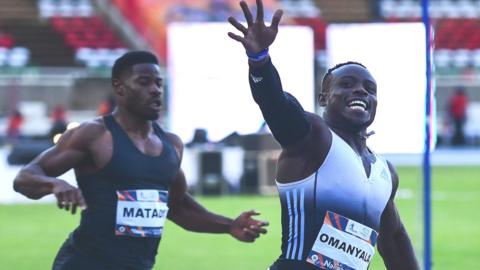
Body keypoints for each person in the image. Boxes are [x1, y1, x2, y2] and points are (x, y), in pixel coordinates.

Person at [13, 51, 268, 270]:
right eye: (144, 82)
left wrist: (229, 225)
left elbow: (178, 207)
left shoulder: (171, 144)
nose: (155, 89)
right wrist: (55, 185)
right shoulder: (95, 135)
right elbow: (25, 178)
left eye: (158, 83)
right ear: (119, 87)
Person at [227, 1, 420, 269]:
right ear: (323, 98)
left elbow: (395, 240)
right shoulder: (313, 138)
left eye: (369, 88)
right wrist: (260, 61)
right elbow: (275, 104)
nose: (360, 91)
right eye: (347, 84)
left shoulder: (385, 172)